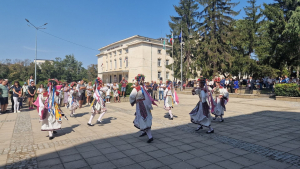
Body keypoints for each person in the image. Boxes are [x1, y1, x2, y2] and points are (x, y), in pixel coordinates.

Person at [130, 74, 157, 143]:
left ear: (137, 81)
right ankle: (144, 132)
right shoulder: (144, 88)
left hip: (141, 106)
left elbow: (132, 96)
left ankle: (150, 137)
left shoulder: (137, 88)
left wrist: (133, 101)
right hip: (145, 105)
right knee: (144, 118)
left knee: (143, 119)